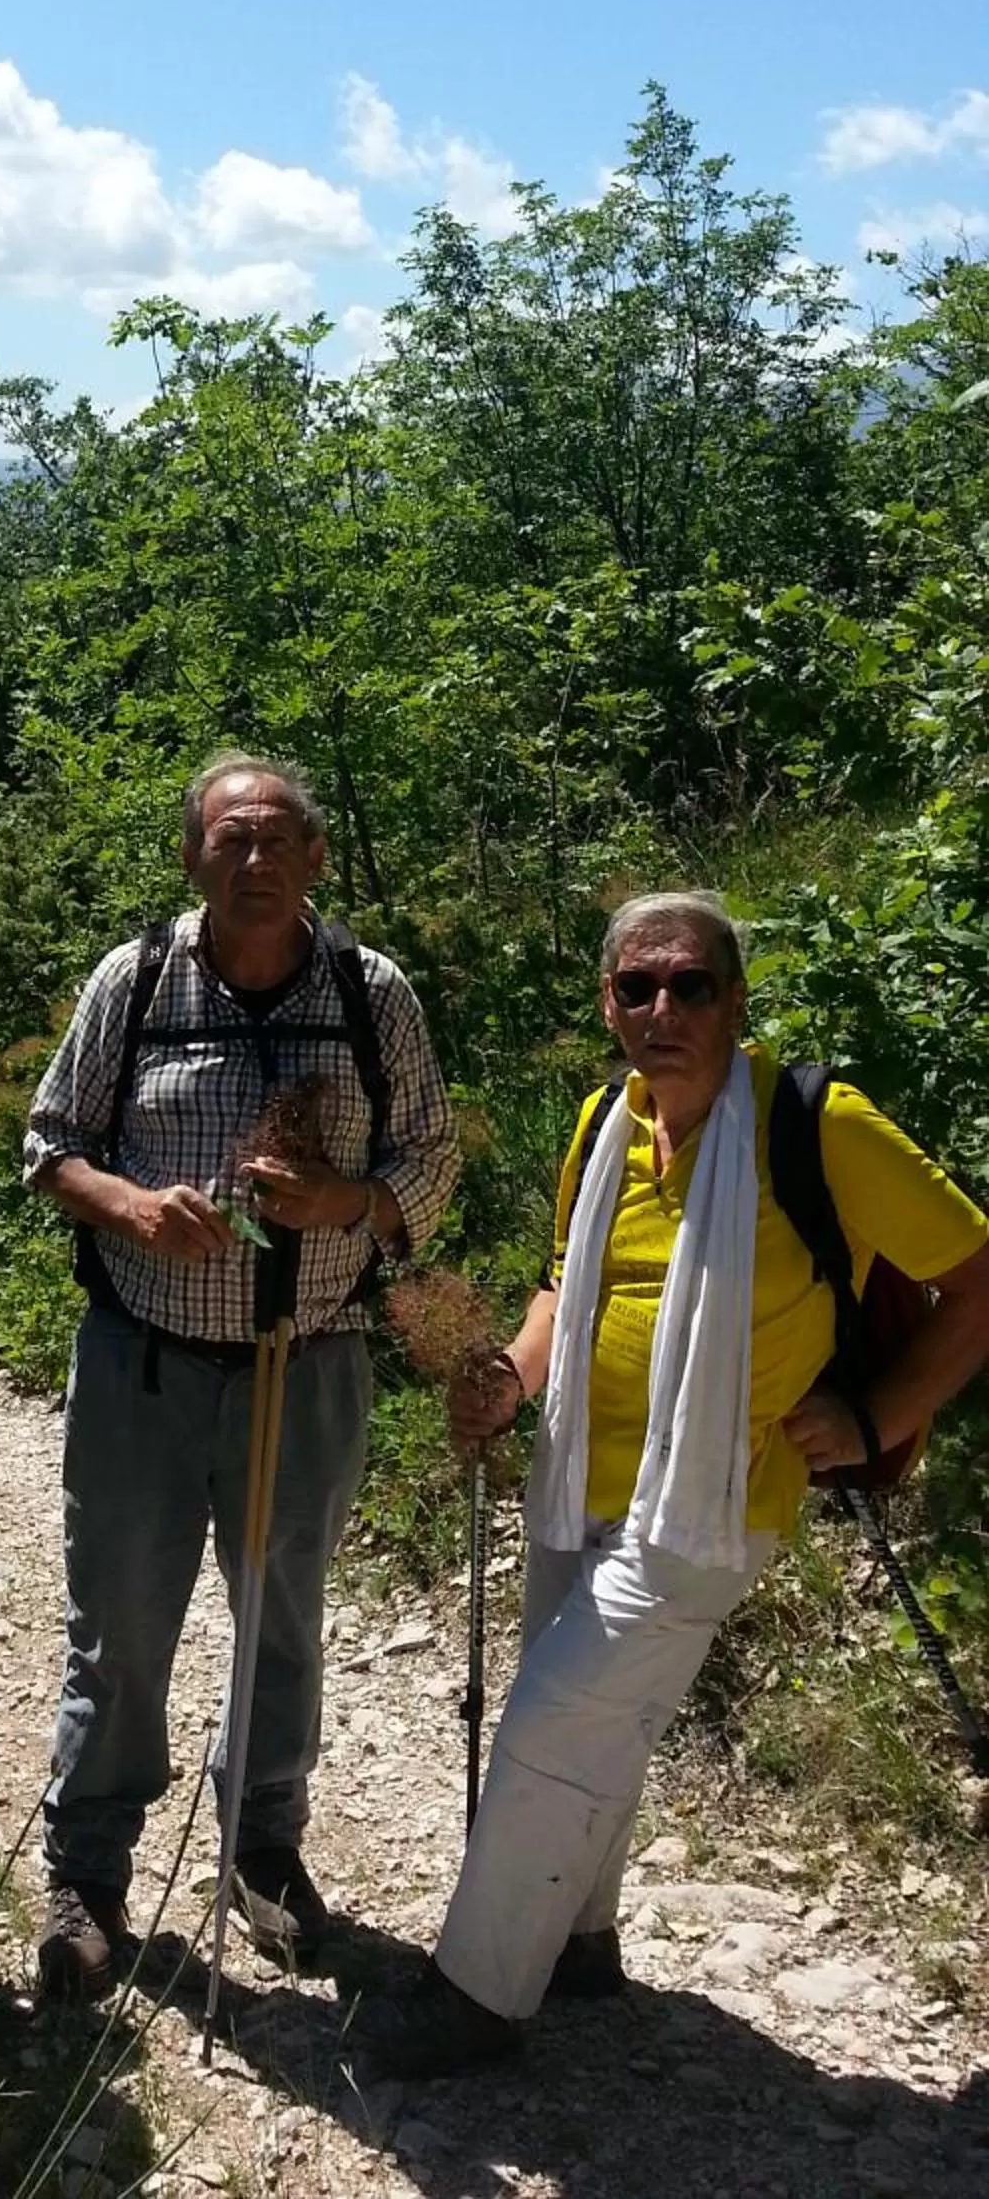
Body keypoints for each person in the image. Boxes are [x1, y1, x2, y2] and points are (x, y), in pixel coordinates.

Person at [362, 890, 989, 2078]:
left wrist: (876, 1417)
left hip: (708, 1504)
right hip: (576, 1479)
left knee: (552, 1720)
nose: (663, 1008)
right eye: (636, 987)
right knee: (599, 1716)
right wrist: (511, 1377)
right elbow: (562, 1287)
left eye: (690, 984)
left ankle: (478, 1996)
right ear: (608, 1005)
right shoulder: (606, 1121)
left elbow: (978, 1279)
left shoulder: (819, 1128)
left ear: (735, 999)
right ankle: (580, 1939)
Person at [24, 753, 460, 1998]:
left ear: (315, 857)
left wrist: (351, 1202)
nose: (255, 862)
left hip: (309, 1362)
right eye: (231, 842)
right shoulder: (140, 980)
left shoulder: (374, 997)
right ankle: (89, 1878)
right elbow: (49, 1145)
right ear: (193, 859)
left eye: (277, 841)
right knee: (120, 1626)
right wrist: (126, 1206)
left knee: (283, 1623)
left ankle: (263, 1853)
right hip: (143, 1366)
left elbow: (432, 1157)